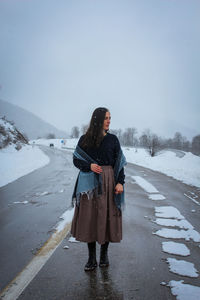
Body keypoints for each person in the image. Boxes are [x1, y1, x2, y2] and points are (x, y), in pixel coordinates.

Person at [70, 107, 127, 271]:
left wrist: (120, 182)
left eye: (110, 117)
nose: (109, 120)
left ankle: (104, 255)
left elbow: (119, 164)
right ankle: (91, 258)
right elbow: (76, 159)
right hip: (89, 184)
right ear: (97, 119)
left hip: (109, 182)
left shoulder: (113, 140)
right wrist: (89, 165)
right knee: (90, 218)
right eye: (106, 118)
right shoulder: (85, 139)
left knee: (106, 217)